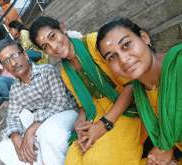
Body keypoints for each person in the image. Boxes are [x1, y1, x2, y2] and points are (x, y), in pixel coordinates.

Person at [29, 16, 147, 165]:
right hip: (97, 114)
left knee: (97, 160)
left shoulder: (94, 43)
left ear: (62, 29)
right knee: (73, 159)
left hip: (126, 108)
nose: (54, 47)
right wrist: (79, 124)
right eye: (45, 46)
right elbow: (84, 105)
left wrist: (104, 124)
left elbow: (130, 84)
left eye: (53, 36)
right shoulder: (66, 72)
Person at [96, 17, 182, 165]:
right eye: (112, 57)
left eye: (126, 44)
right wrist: (167, 148)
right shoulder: (141, 92)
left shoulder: (179, 67)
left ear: (144, 37)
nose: (123, 59)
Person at [0, 39, 79, 165]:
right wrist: (15, 136)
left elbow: (60, 103)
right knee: (2, 148)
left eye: (15, 55)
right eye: (6, 61)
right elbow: (12, 117)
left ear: (25, 54)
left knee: (49, 131)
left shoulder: (47, 71)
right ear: (5, 67)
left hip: (66, 114)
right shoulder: (15, 89)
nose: (13, 63)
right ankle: (38, 160)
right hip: (39, 127)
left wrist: (31, 129)